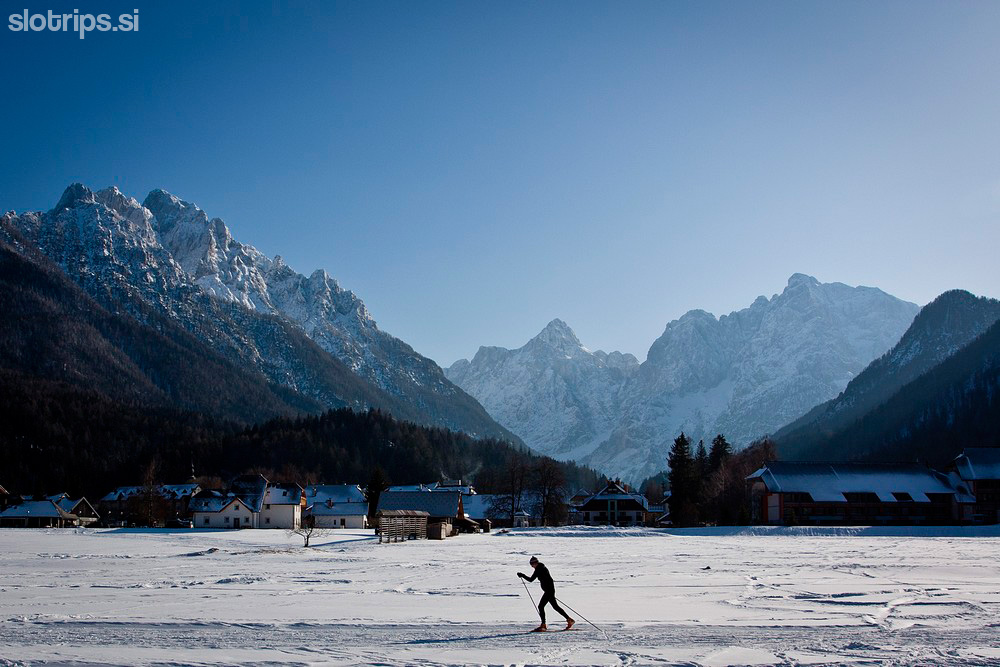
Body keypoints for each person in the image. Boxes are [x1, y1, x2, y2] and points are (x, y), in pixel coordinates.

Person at [518, 556, 574, 632]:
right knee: (555, 607)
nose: (532, 566)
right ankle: (569, 620)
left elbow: (531, 580)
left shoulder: (539, 569)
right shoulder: (541, 568)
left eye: (532, 564)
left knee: (541, 606)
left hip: (548, 591)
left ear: (535, 563)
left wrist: (522, 575)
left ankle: (543, 625)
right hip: (549, 591)